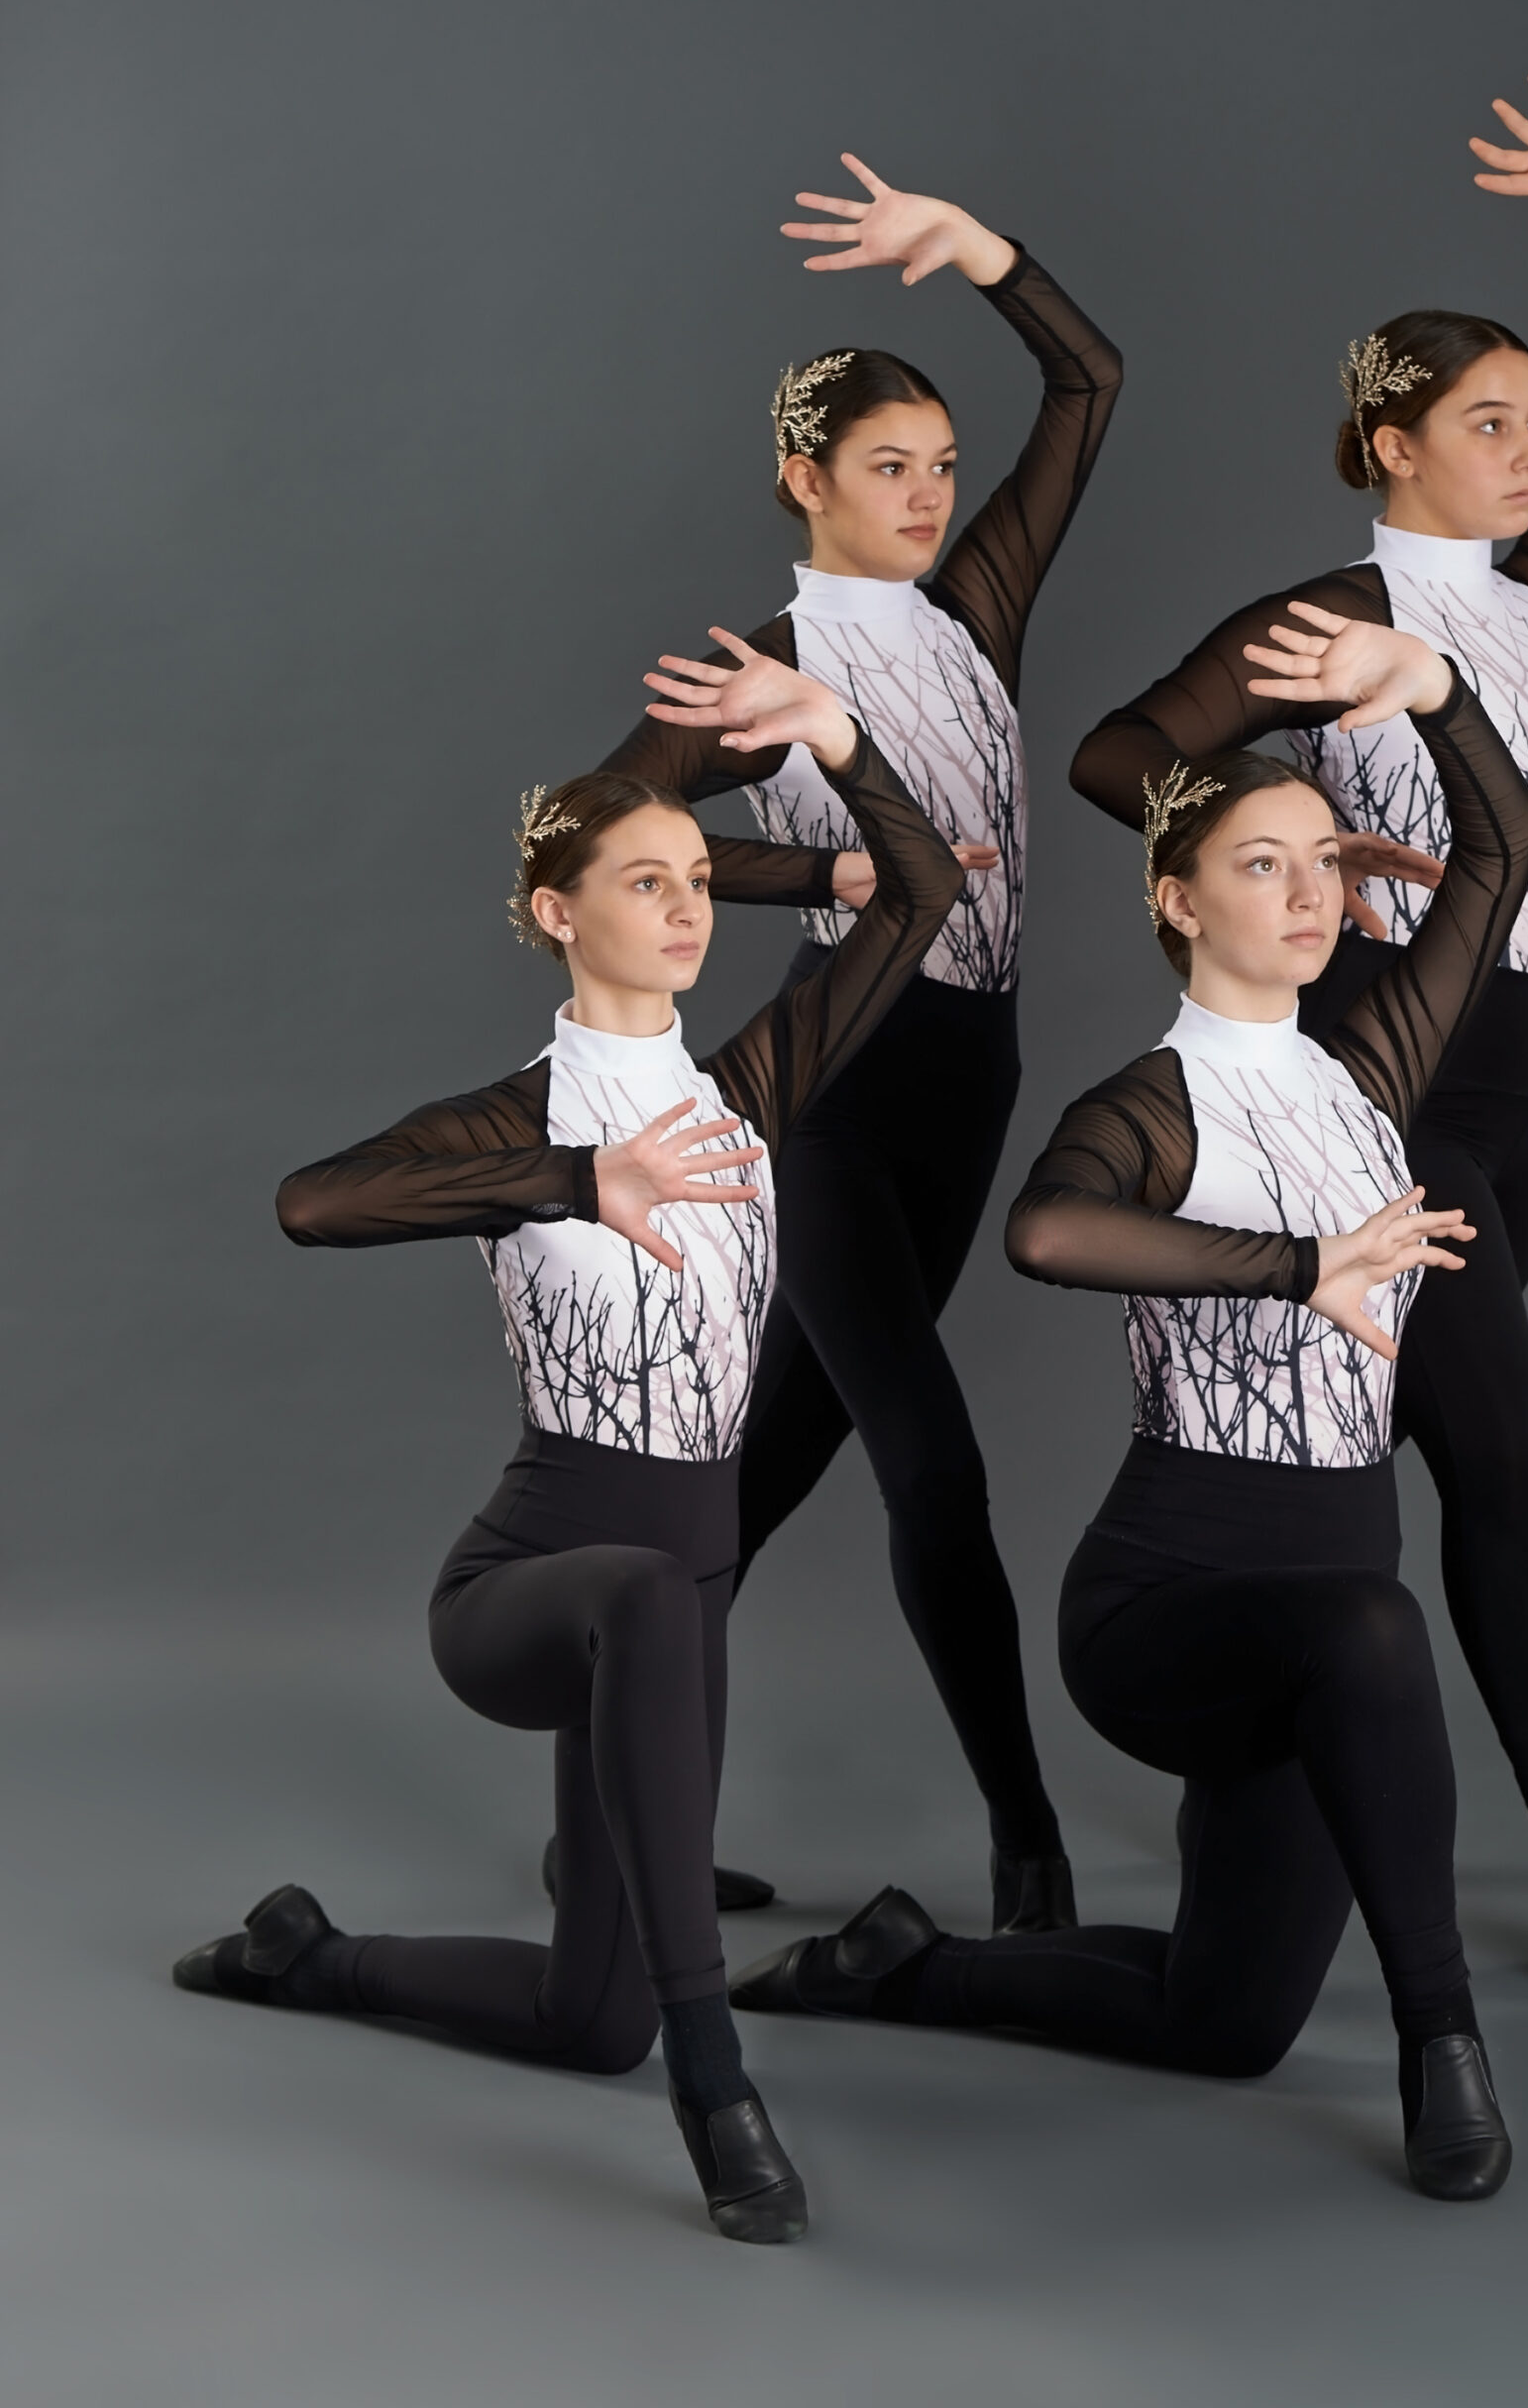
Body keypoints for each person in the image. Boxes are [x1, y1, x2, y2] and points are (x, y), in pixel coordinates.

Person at [728, 620, 1528, 2200]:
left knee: (1220, 2024)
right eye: (1261, 864)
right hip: (1166, 1609)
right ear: (1176, 899)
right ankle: (1444, 2043)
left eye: (1321, 860)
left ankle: (895, 1971)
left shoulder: (1370, 1066)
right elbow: (1048, 1232)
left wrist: (1433, 696)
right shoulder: (1151, 1105)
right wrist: (1301, 1262)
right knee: (1379, 1626)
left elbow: (1502, 856)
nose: (1308, 894)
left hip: (1312, 1641)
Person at [1067, 78, 1528, 2005]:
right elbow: (1120, 750)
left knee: (1419, 1440)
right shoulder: (1324, 616)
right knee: (1501, 1453)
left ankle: (1262, 1779)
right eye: (1487, 422)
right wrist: (1288, 840)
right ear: (1387, 441)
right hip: (1399, 1085)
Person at [173, 646, 961, 2244]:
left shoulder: (748, 1093)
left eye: (696, 883)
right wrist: (568, 1181)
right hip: (533, 1589)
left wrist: (838, 736)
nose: (686, 910)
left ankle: (304, 1954)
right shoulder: (512, 1119)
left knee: (584, 2016)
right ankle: (719, 2089)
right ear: (557, 912)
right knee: (653, 1612)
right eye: (645, 881)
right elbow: (311, 1204)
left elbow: (923, 897)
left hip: (675, 1606)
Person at [592, 156, 1123, 1932]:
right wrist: (818, 855)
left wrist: (981, 249)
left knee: (753, 1487)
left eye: (941, 469)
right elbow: (590, 835)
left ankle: (602, 1817)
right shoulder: (769, 669)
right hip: (835, 1097)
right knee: (935, 1460)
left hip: (972, 1092)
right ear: (803, 479)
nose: (924, 494)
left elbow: (1090, 381)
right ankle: (1028, 1844)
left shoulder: (973, 624)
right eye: (887, 467)